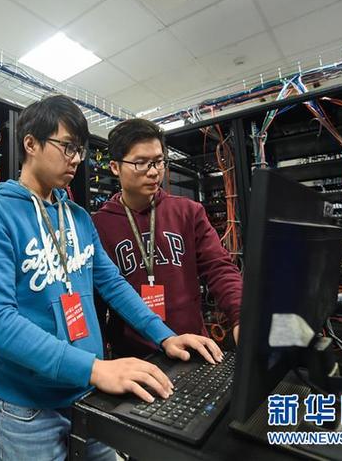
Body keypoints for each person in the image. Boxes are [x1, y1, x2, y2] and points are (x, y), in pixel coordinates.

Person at [0, 96, 222, 460]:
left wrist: (164, 336)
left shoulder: (79, 218)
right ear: (31, 144)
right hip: (26, 411)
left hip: (87, 394)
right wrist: (93, 369)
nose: (75, 159)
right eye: (67, 146)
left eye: (80, 150)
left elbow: (113, 285)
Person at [92, 118, 243, 359]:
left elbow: (219, 268)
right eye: (140, 163)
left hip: (192, 346)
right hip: (133, 358)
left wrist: (240, 316)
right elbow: (96, 301)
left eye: (158, 161)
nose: (153, 172)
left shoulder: (188, 212)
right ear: (115, 167)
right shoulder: (99, 225)